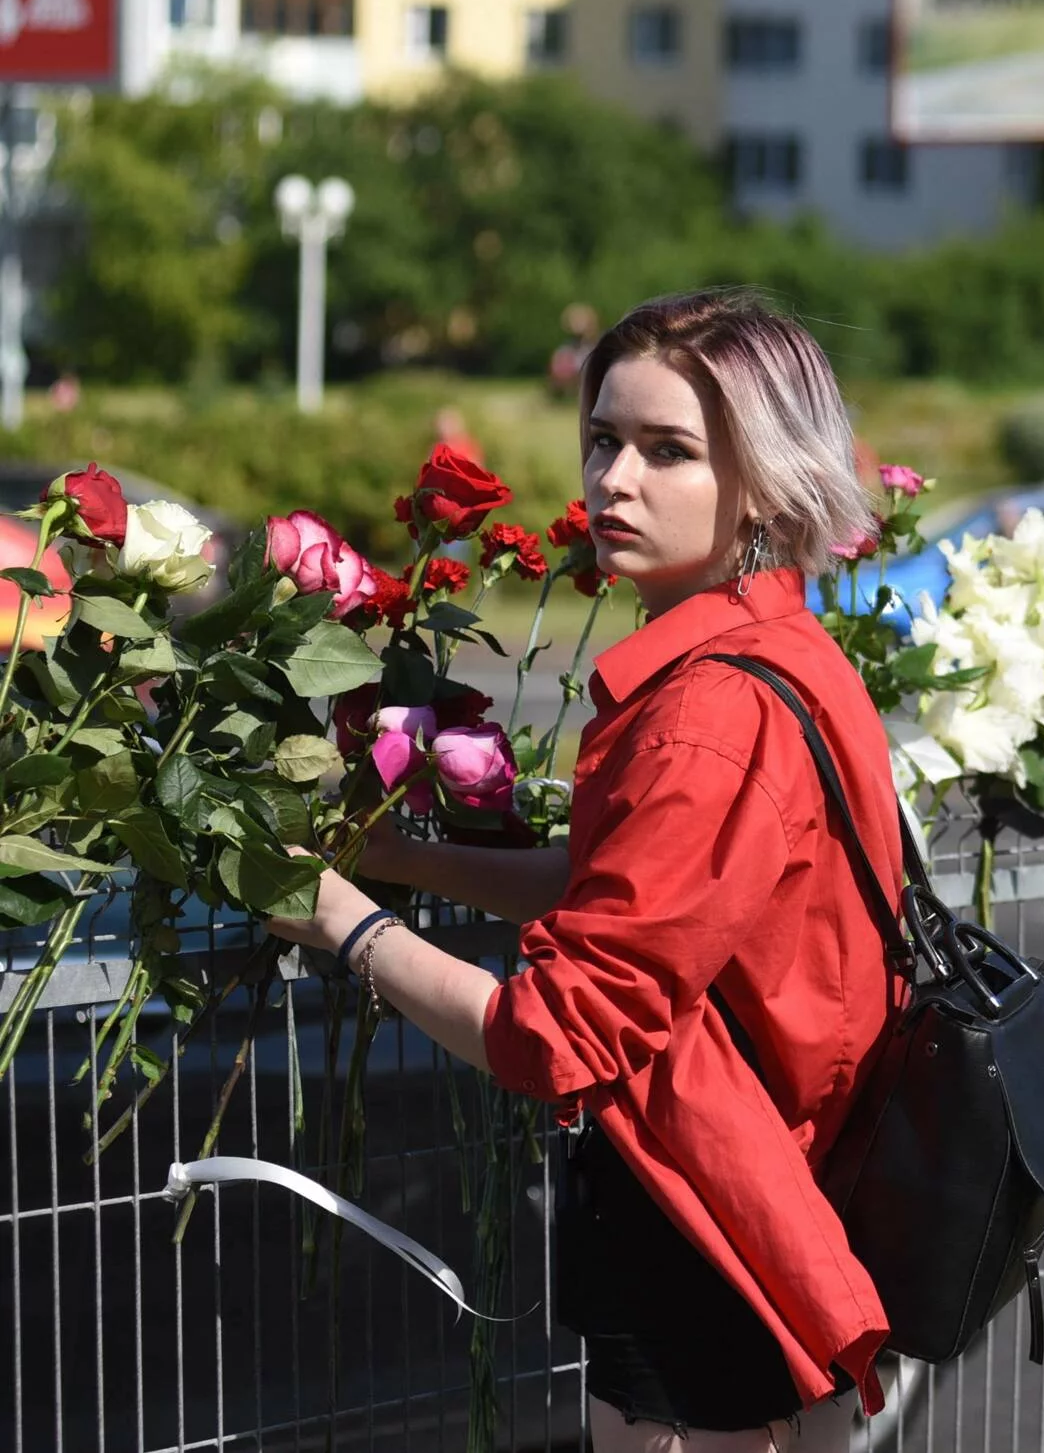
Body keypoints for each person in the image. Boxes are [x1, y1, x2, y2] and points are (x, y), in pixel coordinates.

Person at [269, 288, 900, 1452]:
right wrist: (407, 854)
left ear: (762, 479)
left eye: (669, 451)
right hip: (756, 1180)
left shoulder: (710, 711)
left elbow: (551, 1035)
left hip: (701, 1206)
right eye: (605, 438)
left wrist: (339, 918)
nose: (613, 479)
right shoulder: (777, 649)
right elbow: (622, 891)